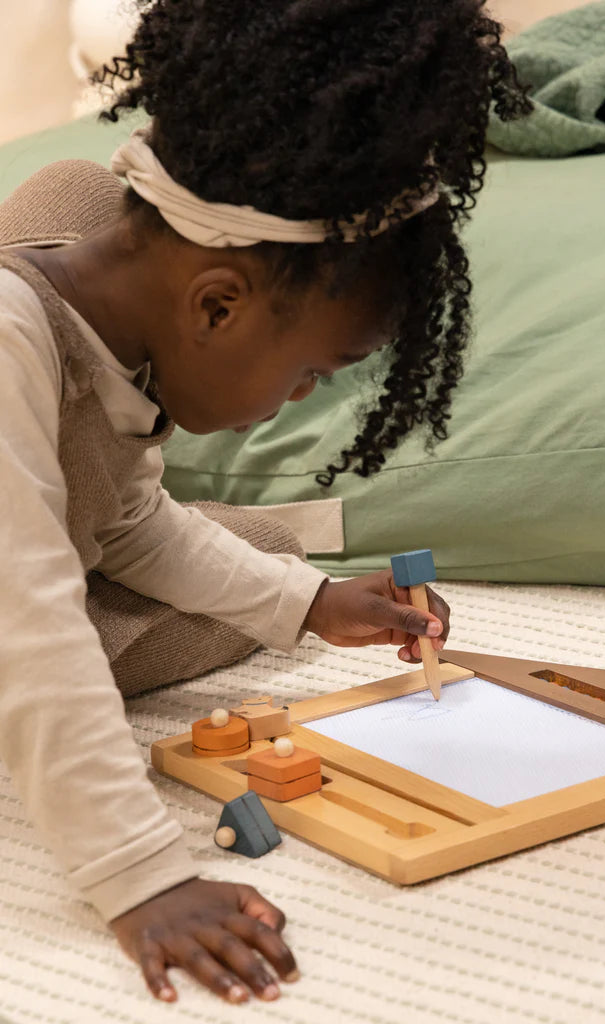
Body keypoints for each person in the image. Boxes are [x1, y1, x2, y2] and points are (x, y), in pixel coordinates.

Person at [0, 0, 529, 1007]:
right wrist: (140, 876)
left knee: (250, 556)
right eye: (306, 378)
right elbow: (24, 610)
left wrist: (312, 605)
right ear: (215, 303)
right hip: (11, 594)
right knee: (52, 628)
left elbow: (127, 521)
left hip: (31, 564)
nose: (295, 403)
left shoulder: (117, 347)